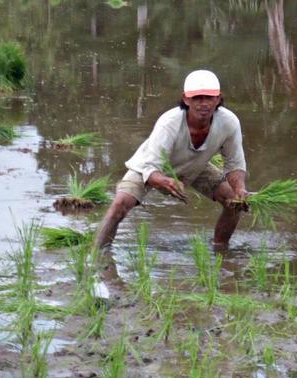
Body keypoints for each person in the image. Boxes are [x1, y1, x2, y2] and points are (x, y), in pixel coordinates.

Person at [95, 69, 248, 249]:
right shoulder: (170, 122)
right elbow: (151, 166)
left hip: (196, 166)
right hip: (150, 168)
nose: (203, 104)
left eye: (209, 97)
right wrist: (164, 181)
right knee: (120, 205)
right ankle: (97, 253)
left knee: (233, 203)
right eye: (197, 98)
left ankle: (220, 248)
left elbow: (234, 163)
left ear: (218, 99)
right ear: (186, 99)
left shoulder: (229, 122)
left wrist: (239, 189)